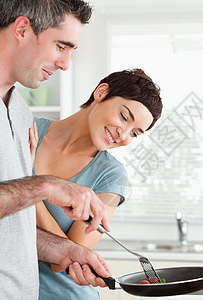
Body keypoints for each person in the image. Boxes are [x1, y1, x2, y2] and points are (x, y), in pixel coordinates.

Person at [0, 0, 113, 298]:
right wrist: (43, 186)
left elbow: (4, 221)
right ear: (23, 28)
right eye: (61, 47)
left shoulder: (19, 109)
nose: (66, 64)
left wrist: (64, 250)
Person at [34, 68, 162, 299]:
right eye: (124, 117)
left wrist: (27, 184)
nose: (123, 135)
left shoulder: (111, 175)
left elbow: (66, 259)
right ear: (101, 93)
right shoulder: (26, 129)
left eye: (135, 133)